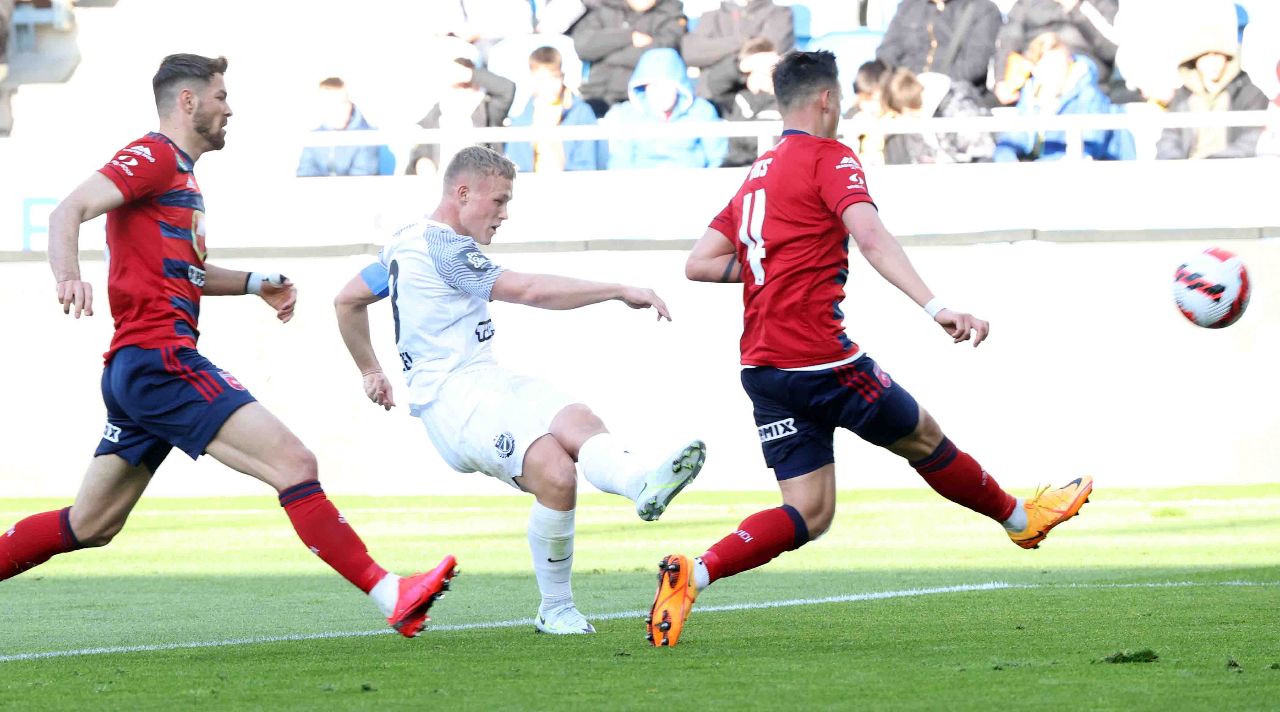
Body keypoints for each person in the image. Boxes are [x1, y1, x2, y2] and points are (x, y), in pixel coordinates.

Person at [0, 54, 456, 639]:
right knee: (294, 463)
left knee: (91, 524)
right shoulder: (154, 155)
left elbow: (184, 272)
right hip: (161, 360)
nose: (229, 108)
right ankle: (392, 592)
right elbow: (68, 210)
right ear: (188, 101)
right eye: (220, 96)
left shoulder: (180, 177)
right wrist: (68, 275)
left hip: (139, 367)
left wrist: (253, 282)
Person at [646, 50, 1093, 647]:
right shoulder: (830, 157)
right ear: (827, 99)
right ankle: (1021, 519)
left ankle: (695, 574)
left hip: (763, 368)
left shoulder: (756, 175)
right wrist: (938, 307)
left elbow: (699, 263)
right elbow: (872, 236)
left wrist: (775, 265)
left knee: (809, 512)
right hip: (823, 361)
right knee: (923, 438)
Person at [334, 146, 706, 635]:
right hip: (452, 398)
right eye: (499, 200)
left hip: (485, 376)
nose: (504, 214)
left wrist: (371, 370)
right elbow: (528, 290)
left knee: (580, 422)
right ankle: (555, 608)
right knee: (556, 473)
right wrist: (617, 290)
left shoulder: (406, 240)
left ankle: (642, 485)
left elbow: (348, 299)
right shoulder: (446, 248)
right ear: (462, 193)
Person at [993, 32, 1134, 162]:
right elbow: (1013, 139)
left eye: (1059, 66)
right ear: (1035, 70)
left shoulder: (1089, 96)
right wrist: (1008, 161)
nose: (1054, 73)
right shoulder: (1032, 95)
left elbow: (1087, 150)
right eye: (1047, 67)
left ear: (1069, 63)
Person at [1155, 3, 1269, 161]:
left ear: (1227, 57)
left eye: (1217, 54)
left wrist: (1211, 163)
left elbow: (1251, 139)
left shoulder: (1249, 92)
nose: (1212, 62)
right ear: (1195, 60)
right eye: (1205, 55)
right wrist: (1176, 165)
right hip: (1187, 170)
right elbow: (1169, 140)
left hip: (1233, 170)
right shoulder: (1183, 96)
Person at [604, 48, 729, 169]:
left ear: (679, 88)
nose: (661, 94)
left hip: (692, 181)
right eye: (654, 87)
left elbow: (718, 159)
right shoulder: (625, 115)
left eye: (667, 87)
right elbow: (620, 163)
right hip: (642, 182)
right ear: (645, 87)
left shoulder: (701, 111)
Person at [569, 0, 685, 116]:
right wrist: (629, 37)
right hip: (596, 95)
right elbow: (583, 46)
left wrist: (604, 54)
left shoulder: (670, 12)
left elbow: (661, 55)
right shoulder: (603, 8)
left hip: (642, 100)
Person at [407, 56, 516, 176]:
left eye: (466, 85)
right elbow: (420, 151)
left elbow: (508, 89)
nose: (461, 91)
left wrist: (468, 74)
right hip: (443, 181)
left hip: (480, 182)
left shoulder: (488, 108)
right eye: (456, 85)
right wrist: (422, 161)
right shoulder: (437, 112)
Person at [681, 0, 795, 114]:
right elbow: (691, 52)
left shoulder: (779, 13)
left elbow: (766, 56)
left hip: (758, 99)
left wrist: (716, 52)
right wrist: (745, 41)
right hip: (713, 98)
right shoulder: (714, 15)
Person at [505, 46, 608, 172]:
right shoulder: (522, 118)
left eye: (553, 78)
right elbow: (515, 167)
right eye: (541, 79)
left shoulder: (581, 113)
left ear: (562, 77)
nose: (547, 85)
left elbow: (588, 163)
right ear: (532, 79)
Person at [995, 0, 1119, 104]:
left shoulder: (1097, 3)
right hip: (1035, 74)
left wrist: (1076, 8)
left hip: (1085, 79)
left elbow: (1109, 48)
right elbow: (1009, 38)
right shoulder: (1027, 4)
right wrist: (1002, 78)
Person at [876, 0, 1003, 96]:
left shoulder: (983, 9)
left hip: (953, 97)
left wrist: (931, 86)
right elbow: (887, 52)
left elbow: (975, 65)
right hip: (904, 95)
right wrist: (905, 84)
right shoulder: (909, 6)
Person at [882, 67, 995, 164]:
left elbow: (982, 151)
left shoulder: (958, 107)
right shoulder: (918, 120)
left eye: (896, 115)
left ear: (905, 109)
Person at [295, 77, 384, 178]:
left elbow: (362, 179)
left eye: (343, 103)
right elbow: (305, 172)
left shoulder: (366, 136)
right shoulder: (315, 137)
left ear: (350, 103)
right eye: (329, 105)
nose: (338, 111)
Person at [722, 37, 782, 168]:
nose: (763, 79)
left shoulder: (787, 100)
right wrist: (741, 65)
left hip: (772, 169)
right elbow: (715, 82)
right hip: (737, 166)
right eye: (757, 71)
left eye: (767, 73)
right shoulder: (738, 96)